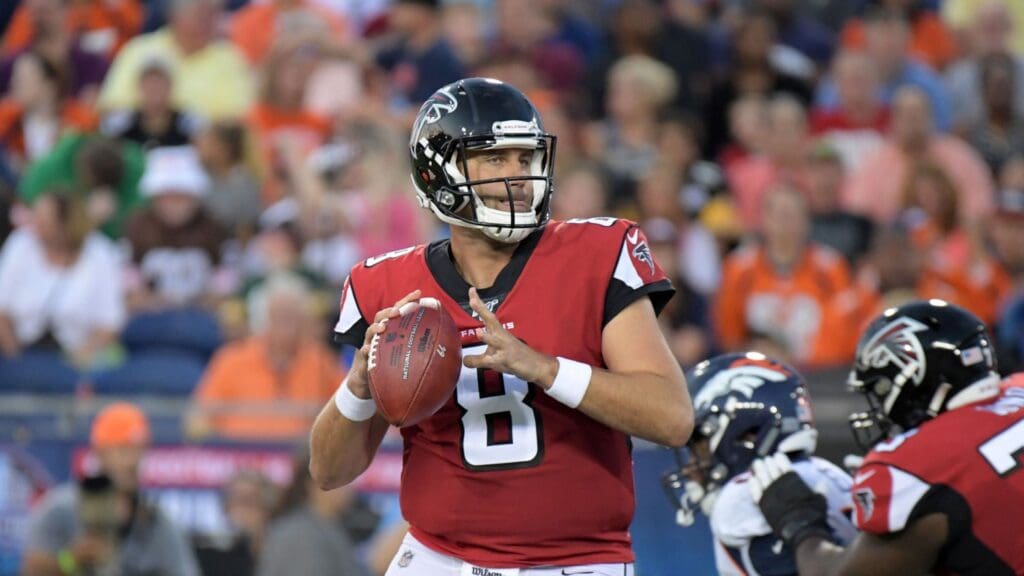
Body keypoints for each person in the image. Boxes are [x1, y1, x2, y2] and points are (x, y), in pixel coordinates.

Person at [310, 77, 693, 574]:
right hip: (437, 557)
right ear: (438, 172)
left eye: (525, 158)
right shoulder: (385, 283)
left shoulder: (595, 256)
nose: (518, 175)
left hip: (574, 561)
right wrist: (360, 387)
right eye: (494, 159)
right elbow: (327, 471)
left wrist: (546, 369)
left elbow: (672, 418)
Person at [746, 300, 1024, 575]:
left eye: (880, 389)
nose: (879, 406)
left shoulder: (916, 467)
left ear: (914, 379)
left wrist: (799, 521)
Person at [663, 352, 856, 575]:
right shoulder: (835, 476)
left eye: (700, 448)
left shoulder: (742, 496)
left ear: (747, 433)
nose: (691, 468)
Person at [22, 402, 201, 576]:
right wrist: (72, 559)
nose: (133, 461)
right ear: (99, 452)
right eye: (123, 450)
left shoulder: (156, 521)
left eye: (139, 451)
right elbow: (31, 571)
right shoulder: (61, 509)